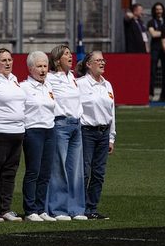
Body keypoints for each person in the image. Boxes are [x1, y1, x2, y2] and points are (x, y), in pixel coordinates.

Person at [0, 48, 26, 222]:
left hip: (17, 132)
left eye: (10, 60)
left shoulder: (14, 79)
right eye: (4, 60)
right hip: (0, 130)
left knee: (10, 172)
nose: (8, 63)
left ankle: (5, 209)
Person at [47, 44, 87, 221]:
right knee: (59, 168)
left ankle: (76, 208)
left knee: (75, 168)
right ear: (56, 60)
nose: (70, 57)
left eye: (70, 54)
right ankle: (58, 208)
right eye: (66, 54)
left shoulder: (72, 77)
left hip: (76, 125)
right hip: (61, 124)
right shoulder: (51, 78)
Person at [78, 50, 116, 220]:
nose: (102, 63)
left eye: (103, 60)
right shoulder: (79, 84)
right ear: (88, 64)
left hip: (103, 132)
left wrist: (111, 137)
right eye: (98, 60)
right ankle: (79, 207)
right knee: (84, 172)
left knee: (99, 173)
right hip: (87, 132)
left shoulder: (107, 84)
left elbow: (112, 112)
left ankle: (91, 207)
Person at [19, 51, 55, 222]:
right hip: (33, 130)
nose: (43, 70)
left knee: (45, 172)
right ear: (30, 68)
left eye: (45, 66)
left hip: (49, 130)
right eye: (39, 66)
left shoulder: (48, 86)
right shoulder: (24, 87)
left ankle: (41, 208)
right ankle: (30, 209)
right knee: (33, 171)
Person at [147, 3, 165, 99]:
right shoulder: (151, 22)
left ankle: (164, 94)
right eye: (157, 9)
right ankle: (151, 93)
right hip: (155, 48)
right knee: (152, 71)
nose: (159, 11)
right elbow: (153, 34)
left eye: (160, 9)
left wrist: (160, 33)